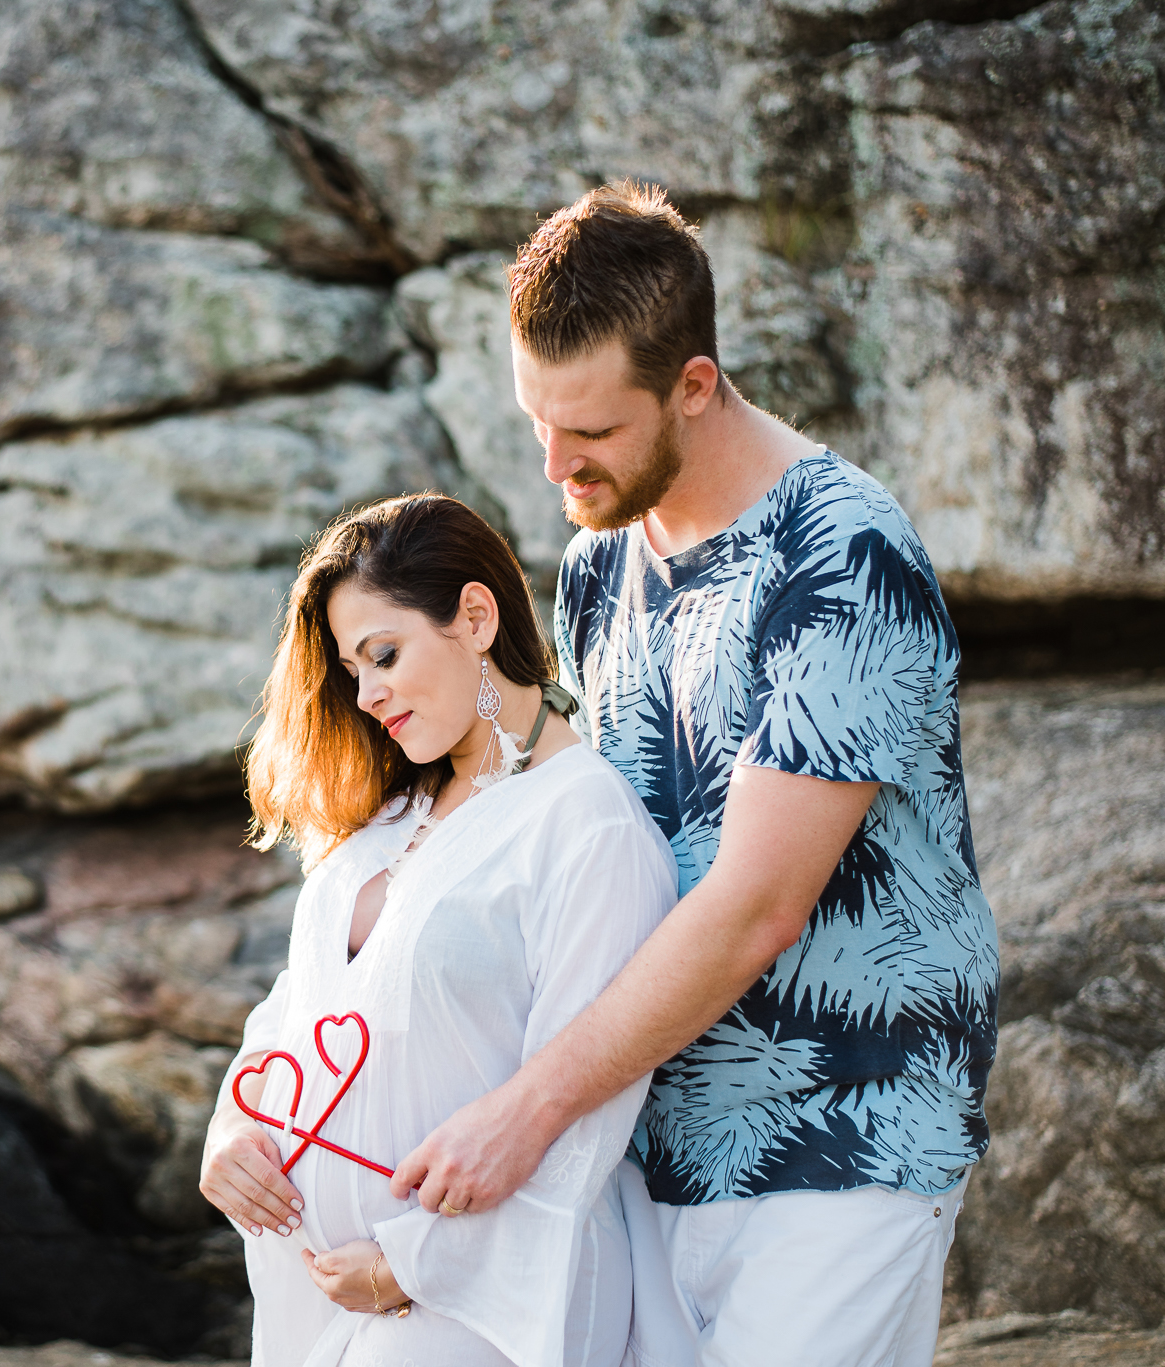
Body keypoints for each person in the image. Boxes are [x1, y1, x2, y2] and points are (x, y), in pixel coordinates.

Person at [389, 181, 1001, 1367]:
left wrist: (526, 1109)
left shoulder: (842, 552)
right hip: (642, 1143)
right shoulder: (594, 566)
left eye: (589, 430)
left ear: (694, 384)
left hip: (842, 1133)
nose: (556, 464)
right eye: (535, 422)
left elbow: (754, 903)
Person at [198, 494, 677, 1367]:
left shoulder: (586, 822)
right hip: (321, 1303)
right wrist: (233, 1125)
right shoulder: (384, 816)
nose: (367, 693)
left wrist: (412, 1264)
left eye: (384, 654)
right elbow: (296, 1010)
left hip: (482, 1307)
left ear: (476, 617)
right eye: (352, 669)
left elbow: (583, 1112)